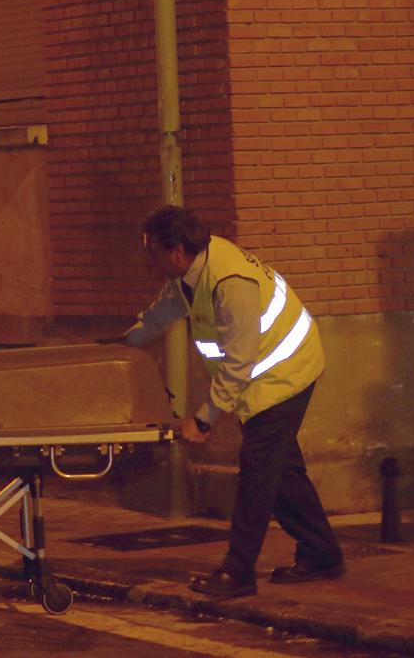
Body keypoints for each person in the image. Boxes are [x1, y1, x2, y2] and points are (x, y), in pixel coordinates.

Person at [115, 205, 343, 598]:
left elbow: (239, 363)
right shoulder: (189, 274)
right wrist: (120, 345)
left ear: (176, 250)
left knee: (258, 473)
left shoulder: (229, 281)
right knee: (282, 472)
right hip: (265, 378)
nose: (147, 260)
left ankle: (238, 572)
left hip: (284, 374)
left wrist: (203, 420)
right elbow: (160, 315)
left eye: (151, 251)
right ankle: (321, 553)